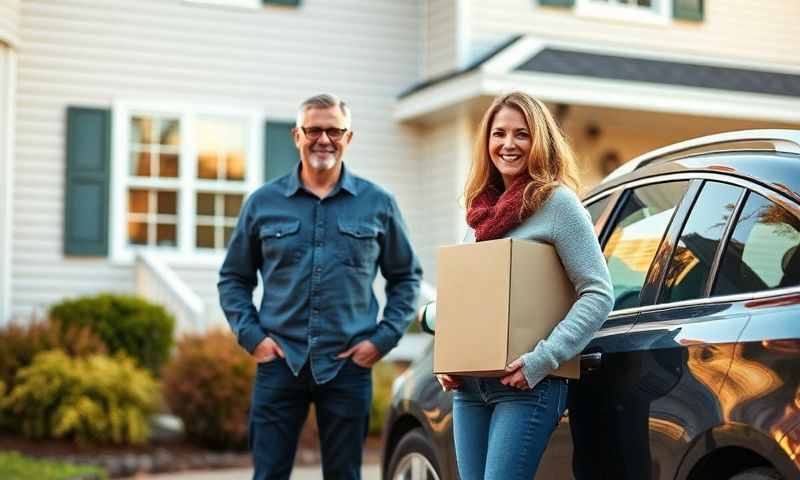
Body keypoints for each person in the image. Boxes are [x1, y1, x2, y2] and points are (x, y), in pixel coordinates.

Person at [218, 94, 422, 480]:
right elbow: (234, 278)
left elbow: (406, 277)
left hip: (348, 366)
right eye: (314, 130)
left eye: (334, 130)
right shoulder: (263, 203)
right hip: (279, 362)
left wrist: (382, 340)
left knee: (345, 475)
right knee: (268, 475)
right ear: (297, 135)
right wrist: (252, 337)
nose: (323, 139)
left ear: (349, 137)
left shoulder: (379, 204)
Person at [420, 91, 614, 479]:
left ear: (539, 140)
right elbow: (467, 298)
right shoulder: (479, 212)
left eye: (521, 134)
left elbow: (598, 293)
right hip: (470, 389)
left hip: (527, 386)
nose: (508, 144)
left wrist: (542, 360)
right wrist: (449, 356)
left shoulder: (558, 204)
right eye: (499, 134)